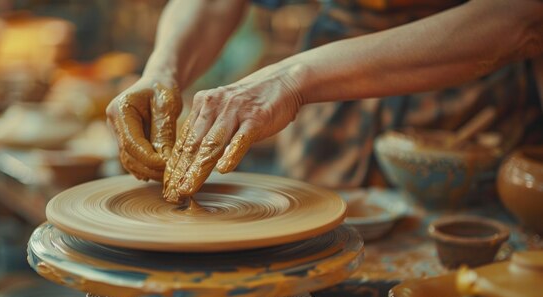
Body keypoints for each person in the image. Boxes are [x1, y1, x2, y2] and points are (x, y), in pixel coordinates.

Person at [106, 0, 543, 203]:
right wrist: (161, 72)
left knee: (454, 279)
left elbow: (521, 18)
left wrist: (294, 78)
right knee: (310, 257)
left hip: (463, 91)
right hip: (330, 100)